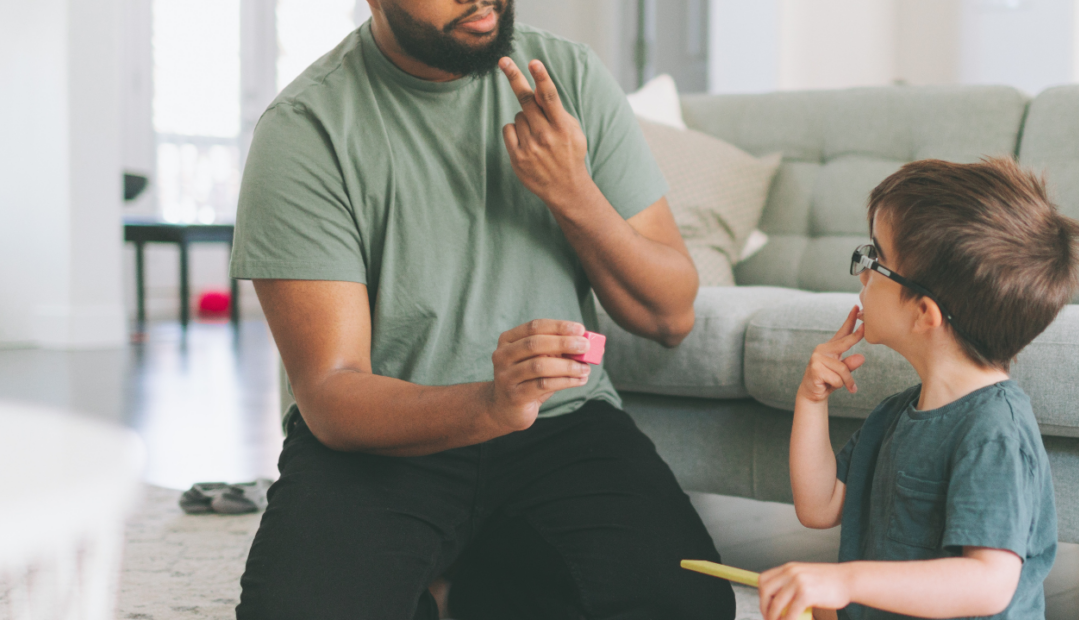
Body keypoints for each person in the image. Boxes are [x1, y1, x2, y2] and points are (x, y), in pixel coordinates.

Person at [226, 0, 733, 617]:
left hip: (563, 423)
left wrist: (573, 193)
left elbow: (670, 316)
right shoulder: (306, 128)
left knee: (686, 607)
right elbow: (332, 394)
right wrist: (492, 403)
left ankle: (470, 583)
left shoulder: (567, 75)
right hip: (386, 436)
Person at [757, 159, 1079, 620]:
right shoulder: (897, 414)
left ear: (925, 314)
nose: (862, 274)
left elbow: (988, 583)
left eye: (876, 261)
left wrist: (844, 580)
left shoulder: (993, 432)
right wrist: (811, 401)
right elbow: (819, 506)